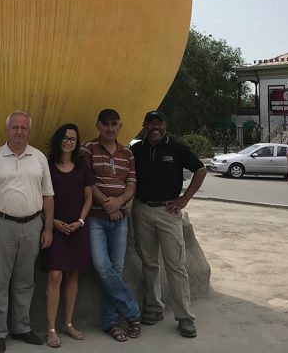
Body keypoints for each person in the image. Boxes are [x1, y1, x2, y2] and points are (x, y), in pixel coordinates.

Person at [0, 111, 54, 353]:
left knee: (25, 281)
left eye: (23, 127)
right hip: (1, 225)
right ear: (7, 130)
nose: (19, 131)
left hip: (32, 225)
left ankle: (21, 327)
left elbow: (48, 195)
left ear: (29, 131)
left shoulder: (39, 158)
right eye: (15, 127)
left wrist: (48, 228)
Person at [130, 110, 207, 338]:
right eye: (151, 123)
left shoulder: (176, 147)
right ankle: (154, 308)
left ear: (165, 125)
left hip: (168, 211)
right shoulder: (136, 150)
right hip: (142, 209)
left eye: (159, 123)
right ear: (144, 125)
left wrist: (184, 199)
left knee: (175, 265)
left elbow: (200, 169)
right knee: (149, 263)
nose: (155, 128)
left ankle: (185, 317)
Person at [83, 109, 142, 342]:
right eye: (105, 124)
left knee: (115, 271)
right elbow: (86, 181)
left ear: (120, 126)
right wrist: (106, 203)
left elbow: (131, 184)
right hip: (96, 217)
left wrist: (117, 203)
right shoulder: (87, 149)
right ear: (98, 125)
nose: (110, 128)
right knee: (102, 266)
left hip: (119, 219)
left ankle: (111, 324)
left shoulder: (127, 153)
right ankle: (132, 311)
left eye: (114, 124)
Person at [40, 123, 95, 348]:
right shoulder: (48, 165)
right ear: (57, 140)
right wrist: (51, 222)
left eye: (72, 138)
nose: (68, 141)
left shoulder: (82, 166)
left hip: (77, 228)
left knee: (73, 275)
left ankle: (68, 323)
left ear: (76, 142)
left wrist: (80, 221)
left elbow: (89, 197)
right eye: (64, 137)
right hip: (55, 228)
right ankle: (51, 328)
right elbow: (41, 196)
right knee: (55, 276)